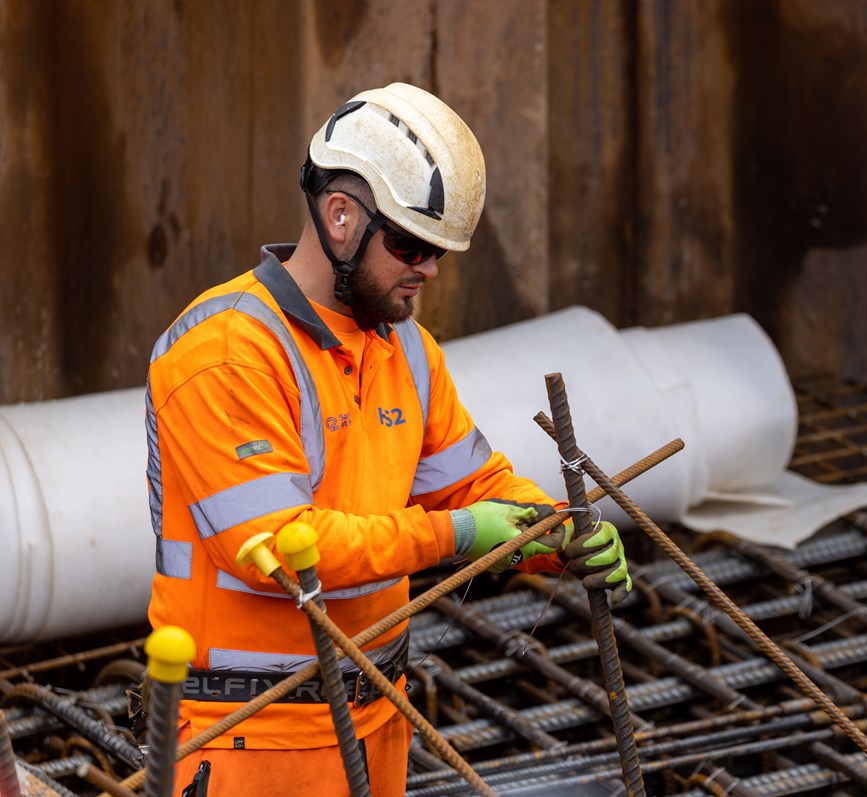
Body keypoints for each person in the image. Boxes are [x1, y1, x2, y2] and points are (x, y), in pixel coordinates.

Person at [144, 83, 631, 797]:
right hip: (248, 737)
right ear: (340, 216)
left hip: (374, 720)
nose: (428, 270)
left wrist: (553, 532)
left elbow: (472, 486)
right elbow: (280, 549)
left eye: (439, 252)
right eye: (410, 244)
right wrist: (455, 537)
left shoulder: (405, 350)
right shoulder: (225, 353)